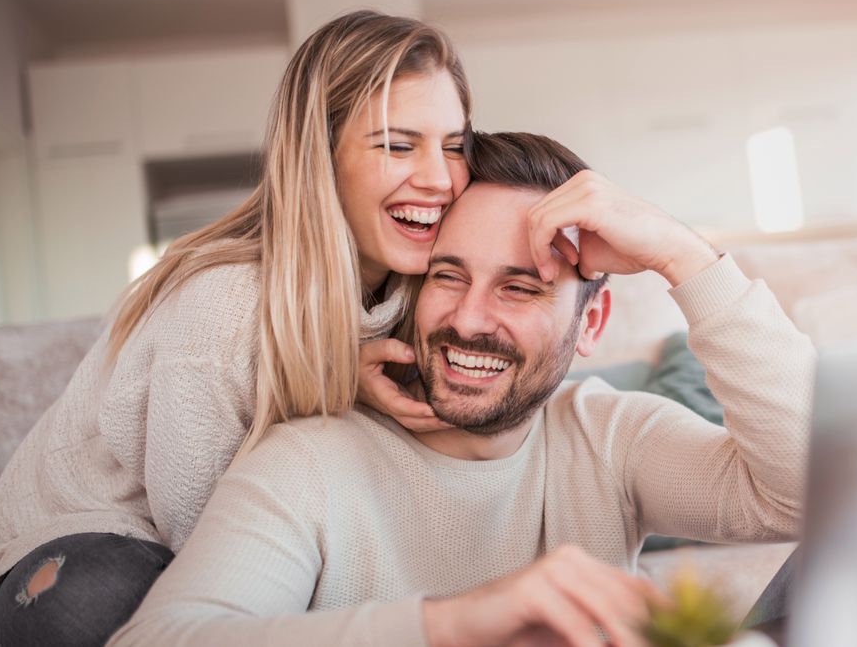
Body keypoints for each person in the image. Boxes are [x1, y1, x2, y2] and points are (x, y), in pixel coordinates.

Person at [108, 132, 816, 647]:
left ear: (590, 320)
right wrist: (453, 621)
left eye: (521, 286)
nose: (469, 319)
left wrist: (682, 253)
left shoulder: (609, 435)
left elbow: (803, 493)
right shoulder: (309, 462)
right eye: (447, 276)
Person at [0, 10, 471, 647]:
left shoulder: (417, 290)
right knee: (102, 603)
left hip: (227, 558)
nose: (439, 177)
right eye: (398, 145)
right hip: (93, 544)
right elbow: (206, 540)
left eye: (454, 145)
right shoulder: (224, 302)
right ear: (320, 155)